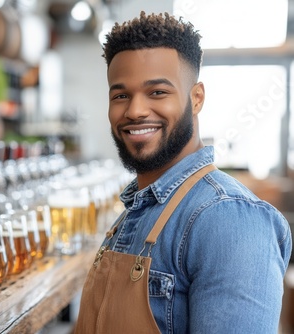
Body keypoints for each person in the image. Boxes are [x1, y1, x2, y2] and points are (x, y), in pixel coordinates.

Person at [74, 11, 292, 334]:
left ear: (197, 98)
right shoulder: (135, 211)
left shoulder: (228, 218)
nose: (134, 110)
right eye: (121, 95)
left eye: (157, 92)